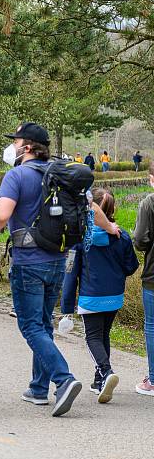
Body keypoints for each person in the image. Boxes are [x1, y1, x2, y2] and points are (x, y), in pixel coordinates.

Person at [0, 123, 82, 417]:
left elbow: (1, 215)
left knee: (31, 326)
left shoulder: (17, 175)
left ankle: (64, 379)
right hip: (58, 260)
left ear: (28, 146)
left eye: (17, 140)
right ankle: (38, 389)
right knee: (44, 324)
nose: (13, 145)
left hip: (29, 262)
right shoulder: (59, 174)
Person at [61, 188, 138, 403]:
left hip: (91, 294)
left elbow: (70, 272)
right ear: (112, 209)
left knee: (92, 337)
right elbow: (131, 266)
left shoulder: (80, 237)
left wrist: (66, 308)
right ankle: (99, 380)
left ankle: (105, 372)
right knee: (103, 334)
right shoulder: (121, 236)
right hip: (114, 295)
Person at [133, 160, 154, 397]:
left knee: (152, 327)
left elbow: (140, 239)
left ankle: (153, 380)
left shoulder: (149, 203)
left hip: (153, 275)